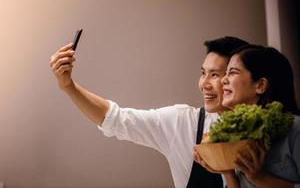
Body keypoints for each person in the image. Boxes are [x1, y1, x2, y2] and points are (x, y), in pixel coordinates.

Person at [49, 36, 248, 188]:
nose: (204, 84)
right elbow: (117, 119)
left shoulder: (267, 130)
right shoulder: (182, 123)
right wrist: (69, 87)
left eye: (215, 75)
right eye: (203, 73)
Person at [195, 45, 300, 188]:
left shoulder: (295, 129)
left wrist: (260, 178)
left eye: (232, 72)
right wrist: (227, 170)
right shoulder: (239, 134)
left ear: (260, 85)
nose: (223, 80)